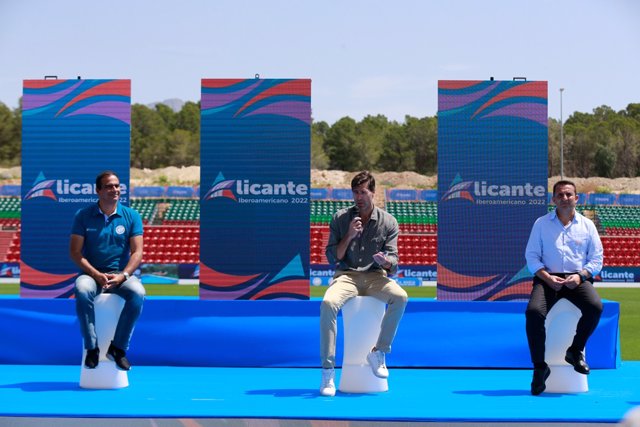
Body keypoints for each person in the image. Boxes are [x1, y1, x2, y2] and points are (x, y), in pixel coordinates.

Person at [319, 171, 408, 396]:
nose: (359, 197)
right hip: (346, 276)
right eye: (355, 192)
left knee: (401, 298)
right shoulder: (341, 218)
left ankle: (379, 352)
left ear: (374, 193)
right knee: (328, 302)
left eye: (363, 192)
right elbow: (333, 257)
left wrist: (385, 261)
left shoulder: (389, 222)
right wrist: (349, 235)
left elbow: (394, 264)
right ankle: (328, 373)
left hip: (376, 276)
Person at [524, 180, 604, 395]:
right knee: (533, 313)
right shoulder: (541, 223)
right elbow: (531, 256)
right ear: (553, 199)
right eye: (560, 195)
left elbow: (596, 259)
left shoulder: (587, 225)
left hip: (577, 280)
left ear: (576, 198)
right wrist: (547, 277)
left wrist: (580, 276)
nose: (565, 198)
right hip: (547, 279)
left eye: (569, 194)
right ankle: (540, 367)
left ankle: (575, 351)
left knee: (595, 307)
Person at [70, 171, 145, 371]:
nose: (115, 190)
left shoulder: (132, 215)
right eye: (109, 186)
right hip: (91, 274)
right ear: (98, 190)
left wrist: (124, 275)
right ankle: (92, 347)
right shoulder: (83, 215)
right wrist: (95, 274)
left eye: (117, 186)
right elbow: (75, 253)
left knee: (138, 294)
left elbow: (137, 252)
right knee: (82, 290)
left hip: (120, 274)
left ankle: (118, 348)